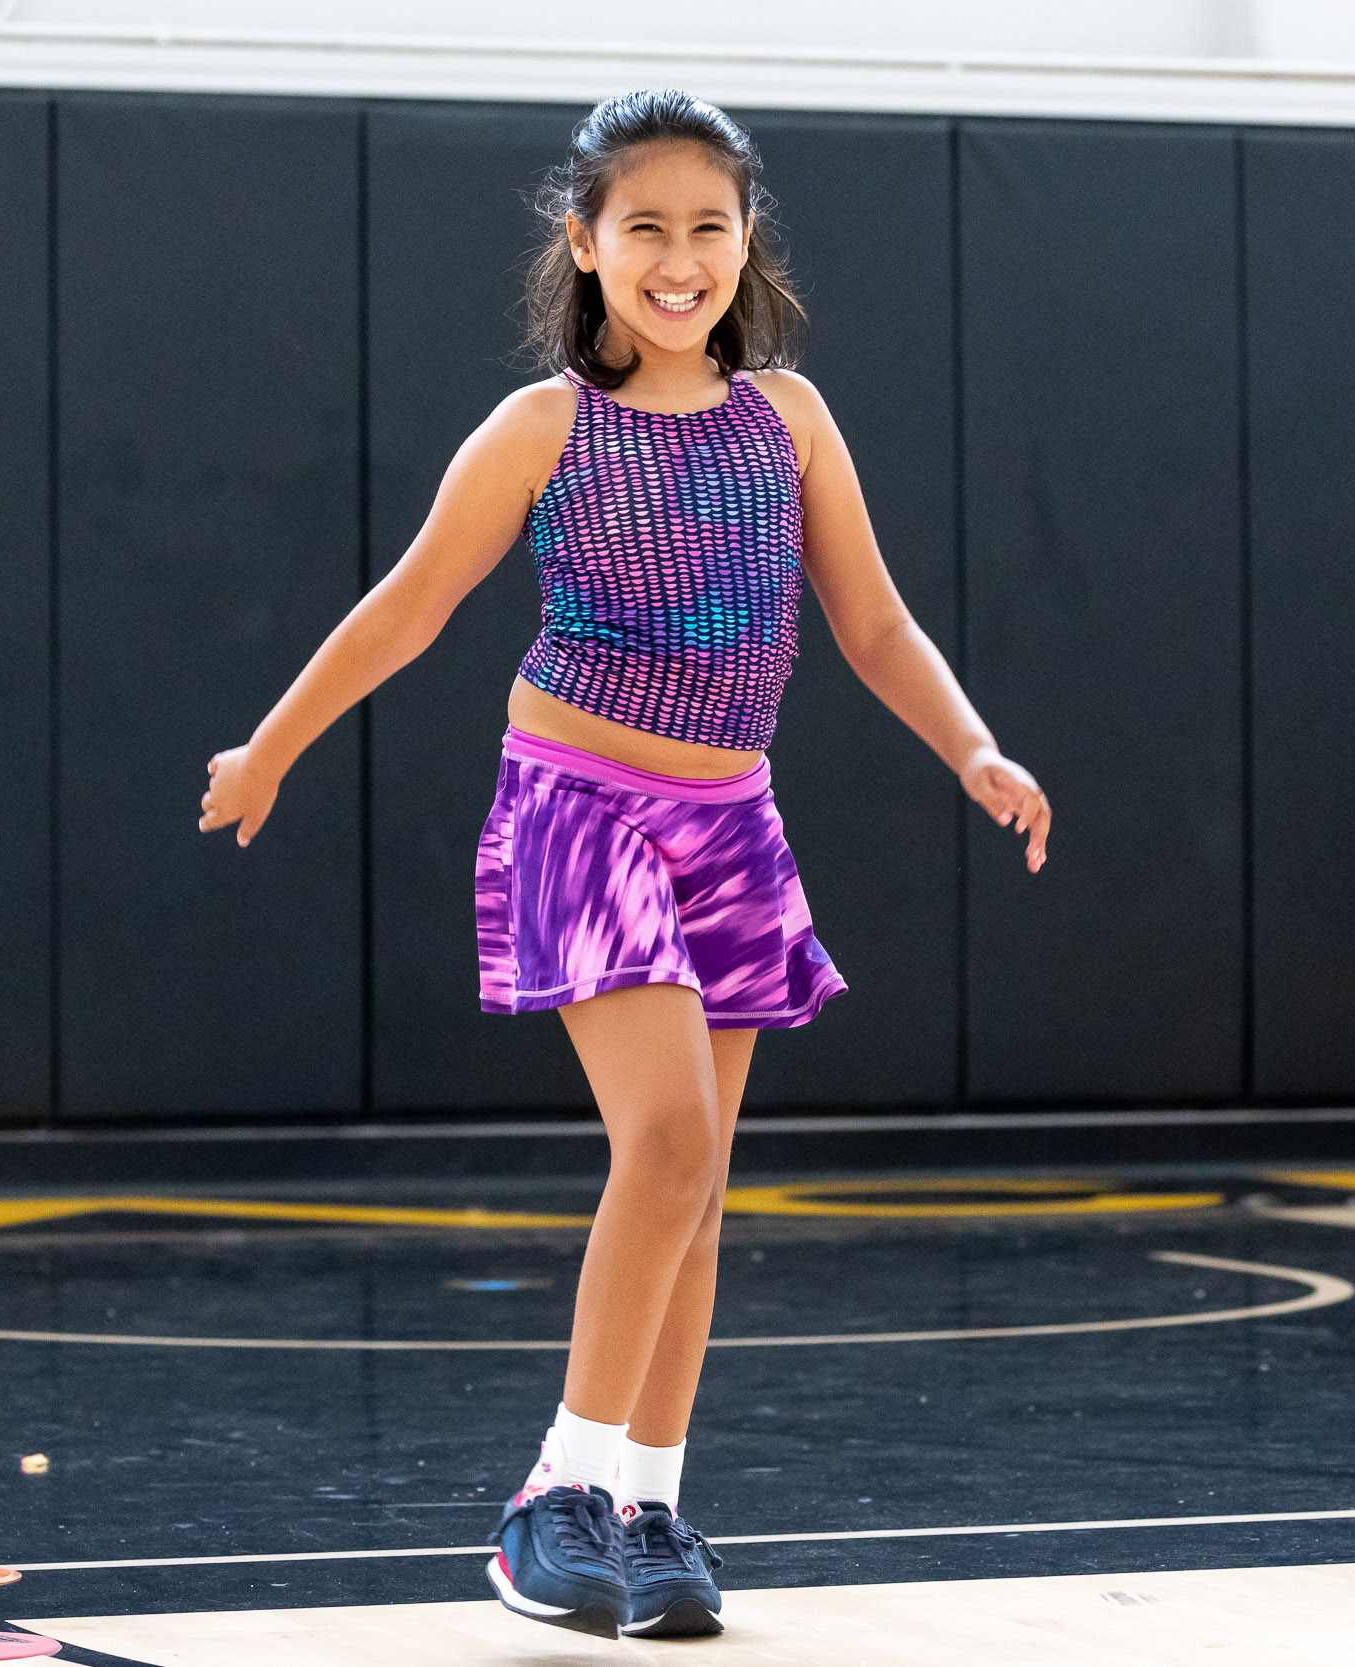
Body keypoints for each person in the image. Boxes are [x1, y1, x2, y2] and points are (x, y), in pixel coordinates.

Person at [200, 90, 1052, 1639]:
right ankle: (554, 1494)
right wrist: (272, 745)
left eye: (707, 228)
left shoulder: (790, 420)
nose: (678, 259)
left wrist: (974, 747)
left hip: (733, 817)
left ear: (745, 245)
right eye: (643, 227)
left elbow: (874, 624)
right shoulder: (542, 431)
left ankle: (650, 1500)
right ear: (585, 244)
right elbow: (406, 606)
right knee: (663, 1141)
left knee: (701, 1183)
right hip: (581, 805)